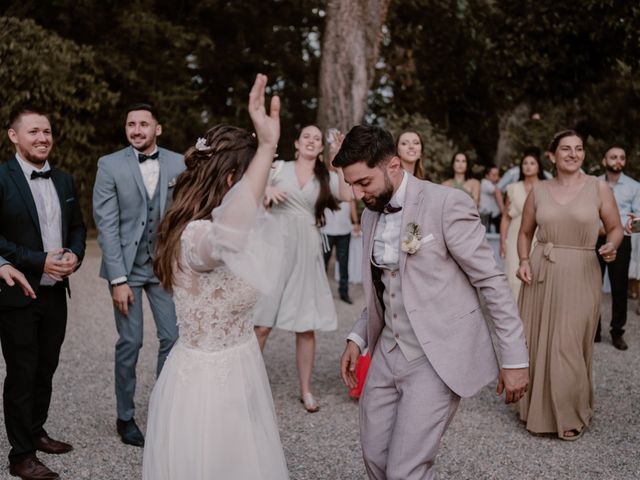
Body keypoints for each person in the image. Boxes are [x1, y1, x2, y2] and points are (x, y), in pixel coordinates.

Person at [337, 125, 529, 480]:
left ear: (393, 165)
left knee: (405, 470)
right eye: (351, 184)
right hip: (387, 353)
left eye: (363, 182)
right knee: (375, 458)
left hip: (435, 357)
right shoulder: (370, 211)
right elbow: (384, 288)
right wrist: (358, 337)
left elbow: (491, 281)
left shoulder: (446, 203)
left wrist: (514, 357)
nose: (356, 192)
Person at [142, 73, 288, 480]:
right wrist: (267, 147)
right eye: (251, 180)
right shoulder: (197, 237)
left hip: (241, 368)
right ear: (230, 181)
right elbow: (232, 233)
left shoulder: (201, 225)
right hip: (208, 388)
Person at [516, 130, 623, 440]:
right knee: (538, 340)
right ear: (552, 155)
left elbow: (615, 228)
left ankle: (571, 412)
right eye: (566, 149)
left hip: (582, 270)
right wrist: (523, 260)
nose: (573, 154)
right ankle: (535, 410)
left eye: (578, 149)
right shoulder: (539, 190)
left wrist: (612, 245)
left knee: (569, 342)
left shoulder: (598, 188)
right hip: (542, 271)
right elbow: (525, 232)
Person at [0, 106, 86, 480]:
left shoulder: (65, 181)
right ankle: (21, 456)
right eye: (33, 131)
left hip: (55, 293)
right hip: (17, 294)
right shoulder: (1, 178)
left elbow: (79, 227)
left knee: (46, 368)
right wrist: (39, 261)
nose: (42, 138)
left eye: (47, 131)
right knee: (22, 373)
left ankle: (35, 431)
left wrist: (75, 256)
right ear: (13, 136)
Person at [92, 103, 185, 447]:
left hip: (163, 268)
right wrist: (117, 280)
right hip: (126, 270)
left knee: (173, 339)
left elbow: (190, 211)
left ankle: (163, 406)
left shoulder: (179, 163)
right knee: (131, 342)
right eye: (131, 123)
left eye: (143, 124)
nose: (136, 129)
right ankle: (125, 416)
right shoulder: (109, 165)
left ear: (157, 129)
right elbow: (107, 225)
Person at [253, 124, 352, 413]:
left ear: (321, 148)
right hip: (275, 245)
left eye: (317, 139)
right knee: (261, 323)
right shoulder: (278, 167)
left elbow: (347, 196)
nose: (311, 141)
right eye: (306, 136)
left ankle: (306, 390)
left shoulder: (327, 176)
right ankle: (249, 387)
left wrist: (341, 156)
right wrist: (266, 188)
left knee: (306, 325)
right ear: (296, 143)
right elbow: (249, 186)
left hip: (307, 249)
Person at [595, 146, 640, 350]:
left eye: (622, 157)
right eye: (613, 157)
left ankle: (617, 332)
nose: (618, 161)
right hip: (593, 239)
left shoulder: (634, 187)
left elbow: (639, 220)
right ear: (605, 160)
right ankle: (592, 330)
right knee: (591, 285)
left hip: (622, 241)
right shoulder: (592, 183)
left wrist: (632, 225)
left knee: (619, 287)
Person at [499, 148, 545, 299]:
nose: (528, 166)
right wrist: (502, 242)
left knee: (538, 274)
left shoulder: (547, 187)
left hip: (540, 237)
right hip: (515, 237)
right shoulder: (513, 188)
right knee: (514, 273)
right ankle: (516, 317)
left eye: (532, 163)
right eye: (525, 163)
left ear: (539, 166)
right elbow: (506, 217)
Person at [479, 164, 504, 232]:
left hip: (493, 217)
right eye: (494, 175)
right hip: (486, 216)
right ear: (487, 176)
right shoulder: (485, 183)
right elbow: (496, 191)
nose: (496, 177)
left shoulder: (494, 185)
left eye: (497, 175)